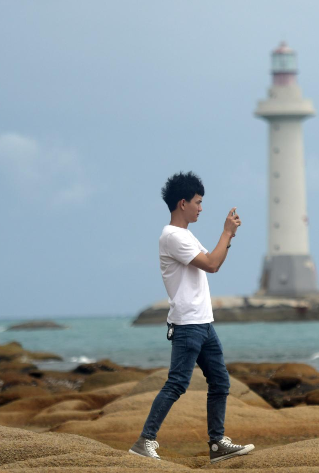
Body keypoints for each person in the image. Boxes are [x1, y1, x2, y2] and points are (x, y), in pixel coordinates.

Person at [129, 171, 255, 463]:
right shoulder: (172, 236)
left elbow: (214, 261)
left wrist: (228, 237)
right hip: (187, 324)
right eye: (198, 202)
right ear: (182, 203)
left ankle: (217, 444)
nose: (201, 208)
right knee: (177, 384)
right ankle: (144, 441)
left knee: (220, 382)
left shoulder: (185, 235)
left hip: (203, 323)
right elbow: (211, 264)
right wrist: (226, 233)